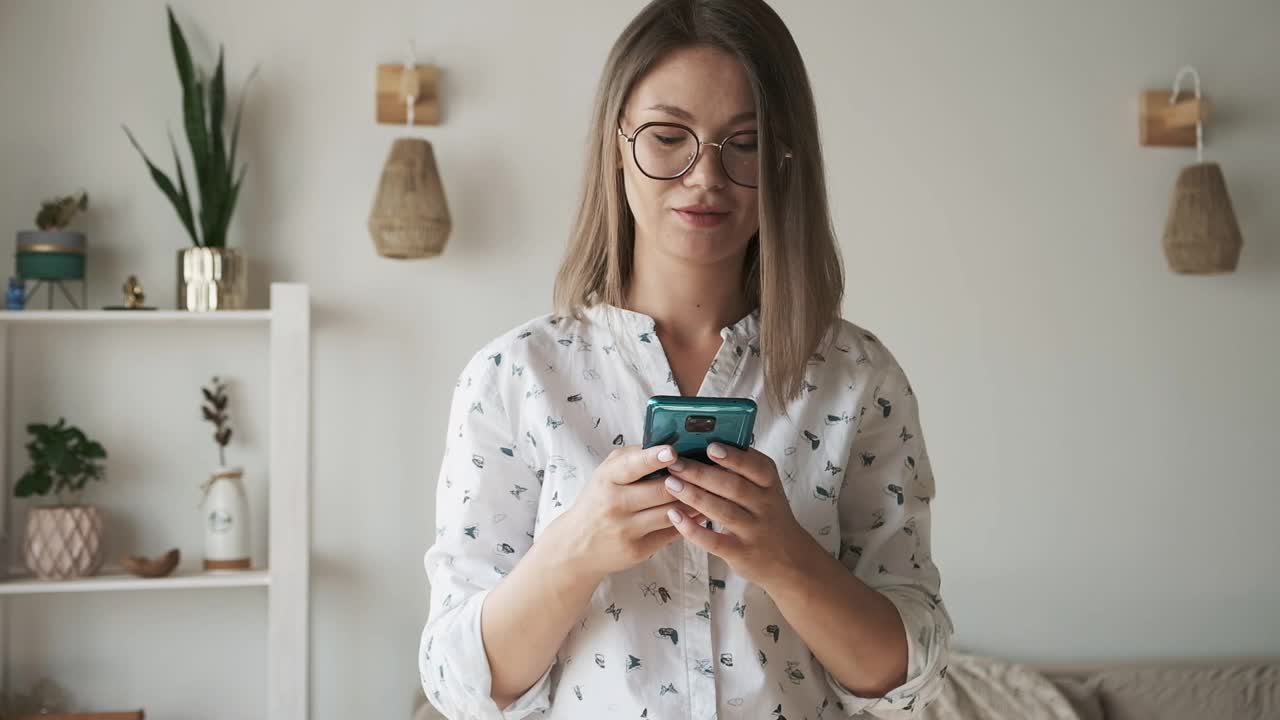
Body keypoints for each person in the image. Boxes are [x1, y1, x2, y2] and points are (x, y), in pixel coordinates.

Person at [419, 1, 953, 717]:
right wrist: (575, 551)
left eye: (745, 142)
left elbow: (907, 675)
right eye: (669, 136)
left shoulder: (857, 380)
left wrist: (785, 556)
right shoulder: (514, 379)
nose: (706, 176)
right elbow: (458, 684)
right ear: (618, 143)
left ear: (786, 154)